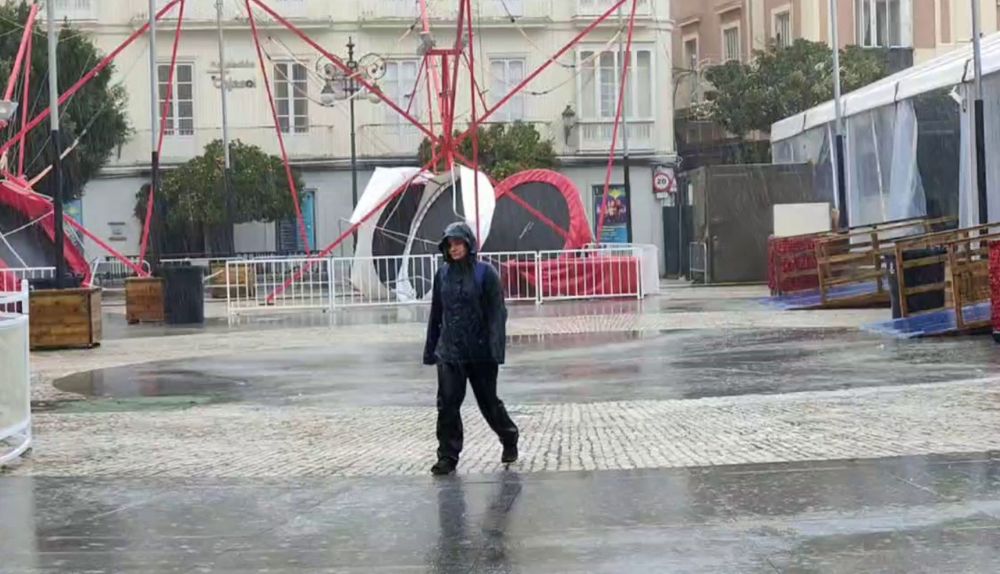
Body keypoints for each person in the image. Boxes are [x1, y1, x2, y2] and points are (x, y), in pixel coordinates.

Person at [423, 222, 519, 476]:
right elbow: (436, 313)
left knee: (488, 402)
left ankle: (509, 436)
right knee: (447, 405)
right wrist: (431, 349)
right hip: (450, 351)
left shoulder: (486, 274)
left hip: (480, 351)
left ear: (468, 244)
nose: (453, 248)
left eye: (458, 243)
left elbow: (497, 314)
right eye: (449, 244)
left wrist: (495, 349)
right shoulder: (442, 275)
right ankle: (447, 455)